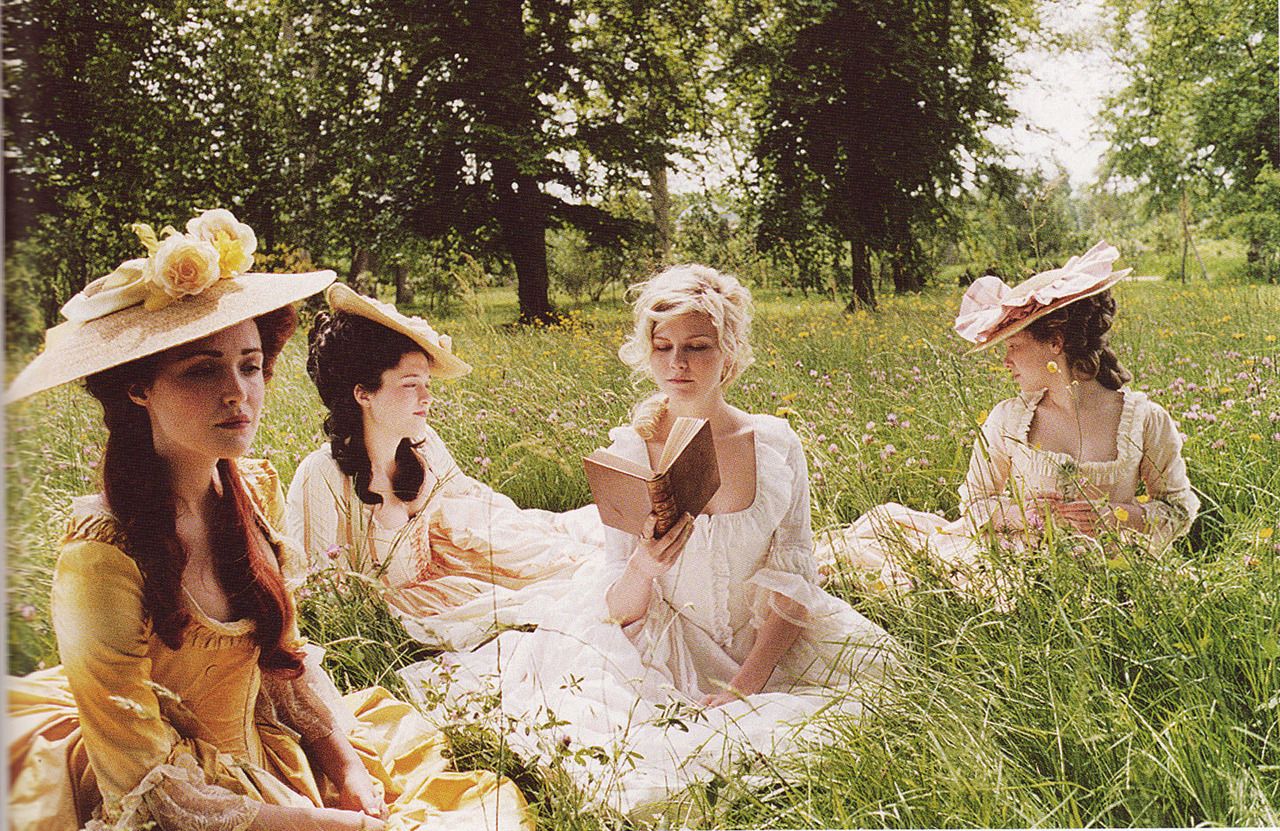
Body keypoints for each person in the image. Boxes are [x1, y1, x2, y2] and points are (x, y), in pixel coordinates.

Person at [6, 210, 531, 831]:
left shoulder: (253, 492)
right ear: (138, 389)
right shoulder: (100, 558)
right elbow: (151, 792)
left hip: (261, 747)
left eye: (250, 365)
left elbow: (282, 657)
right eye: (202, 369)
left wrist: (344, 765)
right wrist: (335, 827)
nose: (239, 392)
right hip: (167, 787)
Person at [401, 264, 898, 814]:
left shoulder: (775, 443)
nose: (677, 363)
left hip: (763, 644)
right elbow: (619, 609)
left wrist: (744, 688)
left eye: (697, 347)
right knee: (631, 761)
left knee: (857, 713)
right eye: (663, 347)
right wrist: (644, 565)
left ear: (729, 352)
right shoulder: (630, 450)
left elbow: (795, 579)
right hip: (663, 642)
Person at [818, 241, 1199, 600]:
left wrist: (1115, 516)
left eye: (1014, 346)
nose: (1006, 361)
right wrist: (1030, 515)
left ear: (1055, 343)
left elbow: (1179, 509)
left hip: (1114, 571)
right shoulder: (1009, 420)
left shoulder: (1145, 420)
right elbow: (974, 505)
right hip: (1018, 570)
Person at [285, 285, 601, 650]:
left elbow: (475, 503)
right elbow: (316, 588)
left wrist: (541, 537)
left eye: (427, 384)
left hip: (445, 583)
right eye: (410, 384)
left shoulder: (423, 445)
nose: (427, 397)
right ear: (364, 394)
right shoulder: (321, 474)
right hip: (390, 621)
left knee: (578, 575)